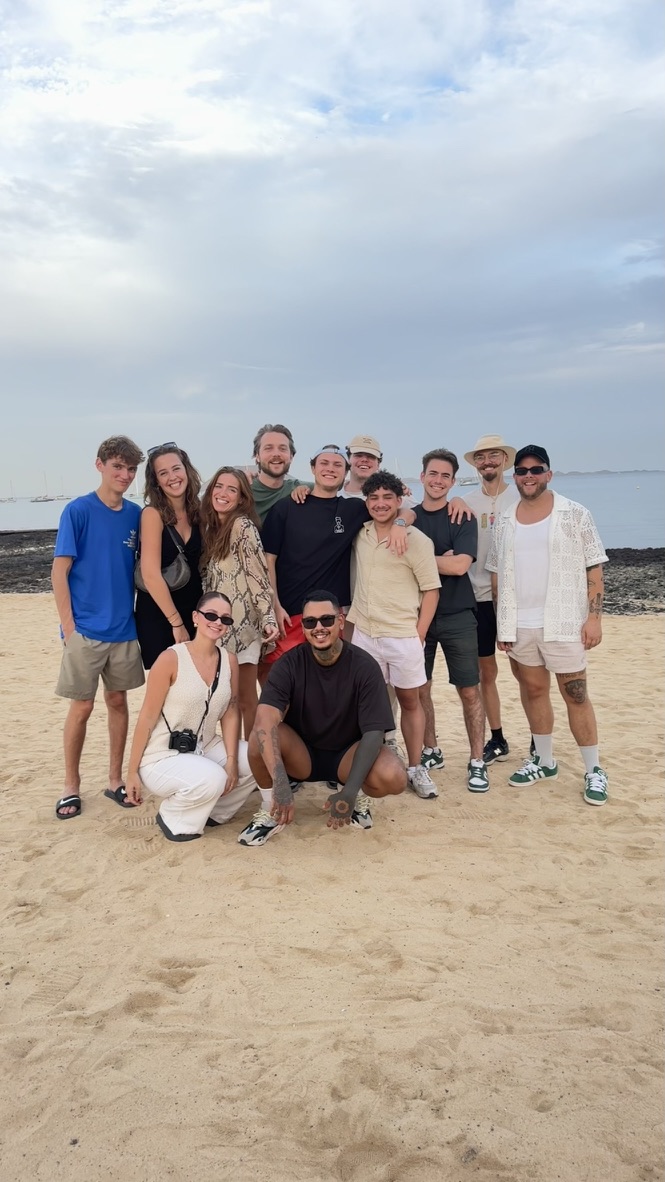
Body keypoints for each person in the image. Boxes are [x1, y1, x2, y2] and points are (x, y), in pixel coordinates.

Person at [487, 445, 609, 806]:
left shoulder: (575, 514)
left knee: (577, 695)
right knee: (535, 692)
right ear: (515, 477)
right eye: (522, 472)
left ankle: (594, 769)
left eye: (535, 470)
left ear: (548, 474)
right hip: (520, 625)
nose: (528, 476)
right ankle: (544, 760)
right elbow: (497, 576)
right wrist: (502, 624)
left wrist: (594, 618)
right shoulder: (505, 519)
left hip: (564, 622)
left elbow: (594, 569)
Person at [237, 592, 406, 845]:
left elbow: (374, 733)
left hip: (347, 757)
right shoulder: (289, 664)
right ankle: (270, 807)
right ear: (303, 626)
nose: (319, 628)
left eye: (326, 620)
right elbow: (264, 720)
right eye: (310, 622)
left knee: (394, 775)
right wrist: (281, 783)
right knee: (258, 737)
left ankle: (356, 795)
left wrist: (348, 792)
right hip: (301, 756)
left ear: (340, 621)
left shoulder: (364, 665)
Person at [52, 435, 146, 819]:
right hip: (85, 631)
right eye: (117, 467)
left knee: (118, 702)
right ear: (100, 465)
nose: (124, 475)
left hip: (125, 629)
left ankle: (113, 780)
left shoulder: (136, 514)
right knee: (82, 707)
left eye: (130, 469)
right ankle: (70, 786)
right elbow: (60, 572)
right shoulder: (78, 511)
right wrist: (69, 627)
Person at [261, 444, 414, 671]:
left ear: (346, 473)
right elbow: (268, 560)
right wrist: (275, 604)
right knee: (283, 682)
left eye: (337, 465)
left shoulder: (353, 509)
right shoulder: (286, 507)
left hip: (332, 617)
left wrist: (400, 524)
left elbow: (400, 509)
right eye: (324, 463)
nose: (330, 469)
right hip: (290, 613)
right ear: (313, 468)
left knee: (330, 684)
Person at [124, 592, 258, 839]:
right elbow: (146, 717)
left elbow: (230, 711)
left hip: (205, 746)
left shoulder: (229, 660)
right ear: (196, 617)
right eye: (211, 615)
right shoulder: (170, 658)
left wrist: (230, 759)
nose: (218, 622)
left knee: (254, 759)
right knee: (214, 778)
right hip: (163, 754)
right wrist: (132, 772)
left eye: (225, 619)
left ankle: (215, 811)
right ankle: (173, 817)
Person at [347, 470, 441, 799]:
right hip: (366, 634)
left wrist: (419, 634)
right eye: (373, 498)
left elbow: (431, 590)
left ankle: (416, 767)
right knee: (368, 704)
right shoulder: (360, 534)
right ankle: (376, 759)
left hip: (403, 634)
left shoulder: (417, 541)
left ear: (399, 501)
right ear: (367, 502)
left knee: (410, 701)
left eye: (388, 498)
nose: (380, 503)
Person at [414, 448, 489, 793]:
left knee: (469, 690)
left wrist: (420, 559)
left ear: (453, 481)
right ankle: (431, 750)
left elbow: (461, 566)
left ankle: (477, 760)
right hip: (418, 618)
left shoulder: (463, 516)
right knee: (420, 690)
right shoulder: (408, 518)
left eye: (445, 476)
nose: (438, 480)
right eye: (433, 473)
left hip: (459, 614)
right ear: (422, 477)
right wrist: (439, 558)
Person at [200, 466, 279, 735]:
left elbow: (259, 576)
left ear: (241, 498)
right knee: (227, 699)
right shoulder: (213, 528)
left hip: (243, 631)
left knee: (245, 699)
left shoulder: (243, 527)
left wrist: (268, 617)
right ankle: (239, 756)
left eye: (231, 489)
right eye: (219, 486)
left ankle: (253, 759)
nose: (223, 493)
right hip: (220, 630)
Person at [461, 434, 518, 765]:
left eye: (493, 455)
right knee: (486, 673)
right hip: (479, 597)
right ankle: (497, 737)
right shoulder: (466, 502)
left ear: (504, 460)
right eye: (481, 457)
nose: (487, 462)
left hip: (518, 599)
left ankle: (541, 741)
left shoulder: (521, 496)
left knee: (528, 674)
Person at [135, 443, 204, 669]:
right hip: (160, 616)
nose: (172, 477)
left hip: (194, 613)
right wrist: (176, 623)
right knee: (167, 692)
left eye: (176, 469)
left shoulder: (198, 511)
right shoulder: (152, 514)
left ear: (186, 470)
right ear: (155, 481)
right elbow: (150, 575)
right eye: (163, 473)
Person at [249, 423, 311, 525]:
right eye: (268, 448)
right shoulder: (243, 489)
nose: (276, 454)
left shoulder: (299, 488)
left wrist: (306, 490)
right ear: (257, 456)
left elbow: (333, 485)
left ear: (291, 456)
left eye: (282, 449)